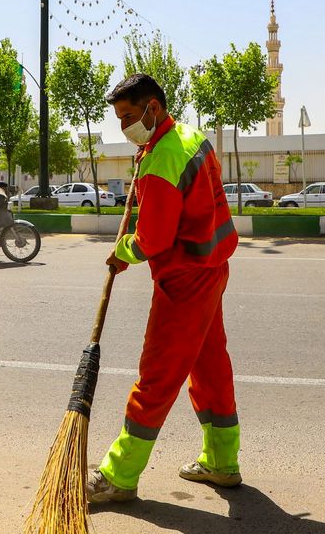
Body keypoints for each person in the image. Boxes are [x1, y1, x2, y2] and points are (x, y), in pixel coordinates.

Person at [87, 73, 242, 504]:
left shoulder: (161, 161)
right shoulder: (191, 139)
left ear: (153, 108)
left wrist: (123, 252)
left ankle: (119, 475)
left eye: (130, 116)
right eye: (119, 119)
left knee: (157, 375)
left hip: (184, 279)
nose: (124, 127)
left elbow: (152, 239)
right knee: (210, 367)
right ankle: (222, 462)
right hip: (212, 269)